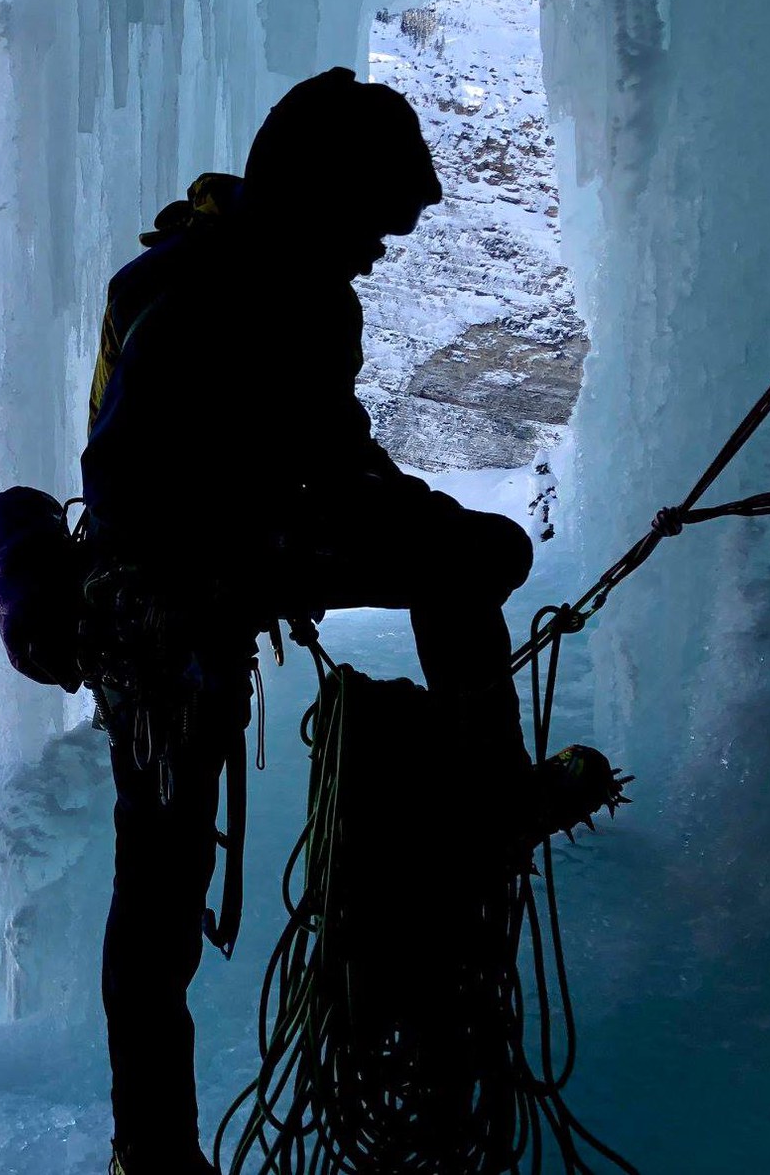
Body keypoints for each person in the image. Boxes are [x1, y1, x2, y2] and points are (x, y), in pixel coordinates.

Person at [80, 68, 575, 1175]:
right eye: (373, 221)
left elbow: (330, 451)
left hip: (202, 577)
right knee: (159, 894)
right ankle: (152, 1154)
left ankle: (489, 789)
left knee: (467, 559)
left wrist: (401, 518)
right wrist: (269, 543)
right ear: (321, 194)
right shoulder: (212, 295)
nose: (377, 249)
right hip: (163, 609)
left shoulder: (286, 287)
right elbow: (125, 482)